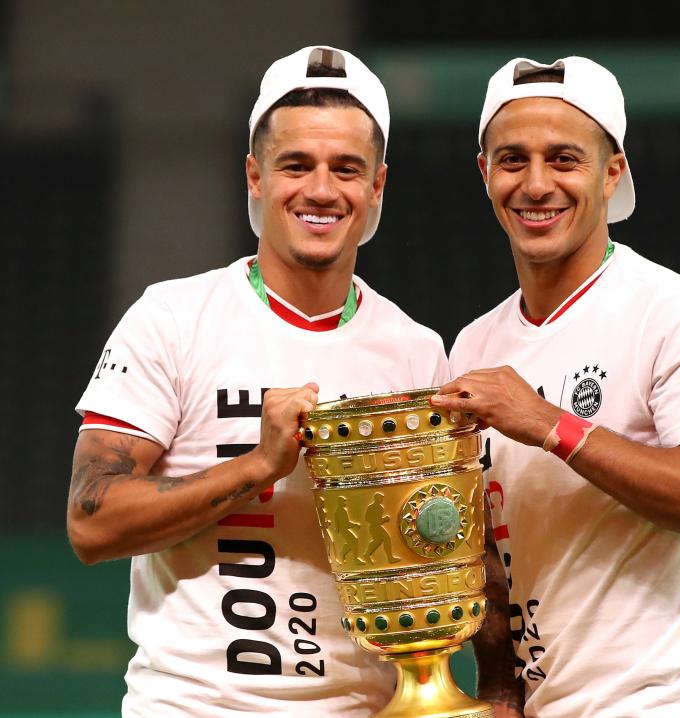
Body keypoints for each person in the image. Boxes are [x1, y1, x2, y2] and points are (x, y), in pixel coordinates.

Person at [68, 45, 448, 717]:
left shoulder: (417, 354)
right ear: (254, 175)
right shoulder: (172, 318)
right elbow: (91, 521)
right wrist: (259, 466)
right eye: (295, 165)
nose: (322, 191)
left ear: (378, 187)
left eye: (347, 169)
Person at [431, 56, 680, 717]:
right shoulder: (474, 345)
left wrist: (549, 424)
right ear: (484, 173)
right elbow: (495, 549)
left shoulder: (673, 311)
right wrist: (502, 688)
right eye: (512, 160)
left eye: (564, 159)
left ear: (611, 171)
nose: (536, 184)